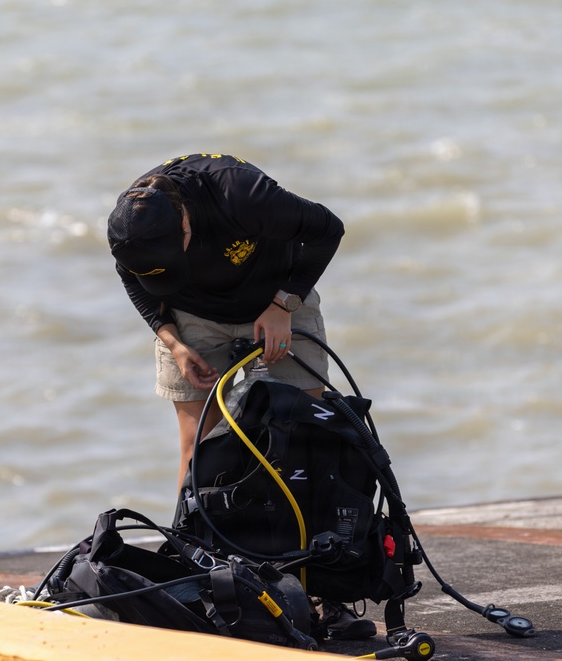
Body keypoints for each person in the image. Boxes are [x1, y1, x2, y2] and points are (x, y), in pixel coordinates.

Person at [107, 153, 375, 641]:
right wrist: (174, 341)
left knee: (306, 444)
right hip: (192, 318)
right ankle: (202, 584)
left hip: (276, 298)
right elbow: (134, 279)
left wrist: (282, 306)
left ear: (184, 220)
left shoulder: (240, 194)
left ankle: (323, 592)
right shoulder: (132, 228)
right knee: (197, 452)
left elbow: (328, 229)